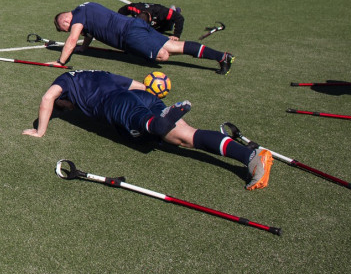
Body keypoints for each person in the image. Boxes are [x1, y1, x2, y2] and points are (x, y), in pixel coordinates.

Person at [21, 70, 272, 190]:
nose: (65, 108)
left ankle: (158, 123)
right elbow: (138, 85)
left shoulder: (64, 81)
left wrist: (40, 131)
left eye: (62, 107)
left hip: (116, 104)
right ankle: (249, 157)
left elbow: (47, 99)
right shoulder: (98, 73)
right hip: (141, 97)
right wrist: (155, 98)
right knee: (185, 137)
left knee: (151, 127)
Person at [51, 2, 234, 75]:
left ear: (66, 20)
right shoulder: (85, 8)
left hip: (129, 35)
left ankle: (220, 57)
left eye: (65, 28)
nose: (68, 30)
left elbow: (73, 39)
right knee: (174, 46)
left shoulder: (77, 18)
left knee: (164, 55)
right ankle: (222, 56)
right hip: (136, 25)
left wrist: (61, 61)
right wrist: (85, 48)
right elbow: (89, 32)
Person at [116, 2, 185, 38]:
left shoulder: (161, 12)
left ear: (150, 19)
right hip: (154, 19)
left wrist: (176, 35)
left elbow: (180, 18)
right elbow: (122, 10)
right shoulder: (135, 9)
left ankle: (174, 12)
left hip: (162, 20)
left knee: (163, 28)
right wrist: (118, 22)